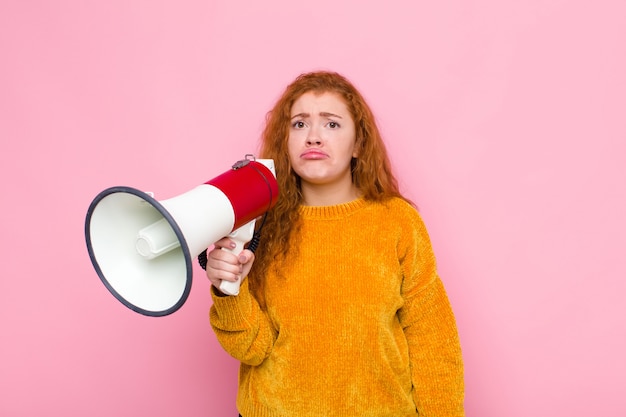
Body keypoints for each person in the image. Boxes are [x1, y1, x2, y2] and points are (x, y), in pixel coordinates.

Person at [204, 71, 465, 417]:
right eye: (299, 125)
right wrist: (228, 290)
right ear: (285, 142)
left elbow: (432, 341)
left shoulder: (398, 221)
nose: (313, 137)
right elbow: (253, 347)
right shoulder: (258, 225)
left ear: (359, 144)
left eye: (331, 124)